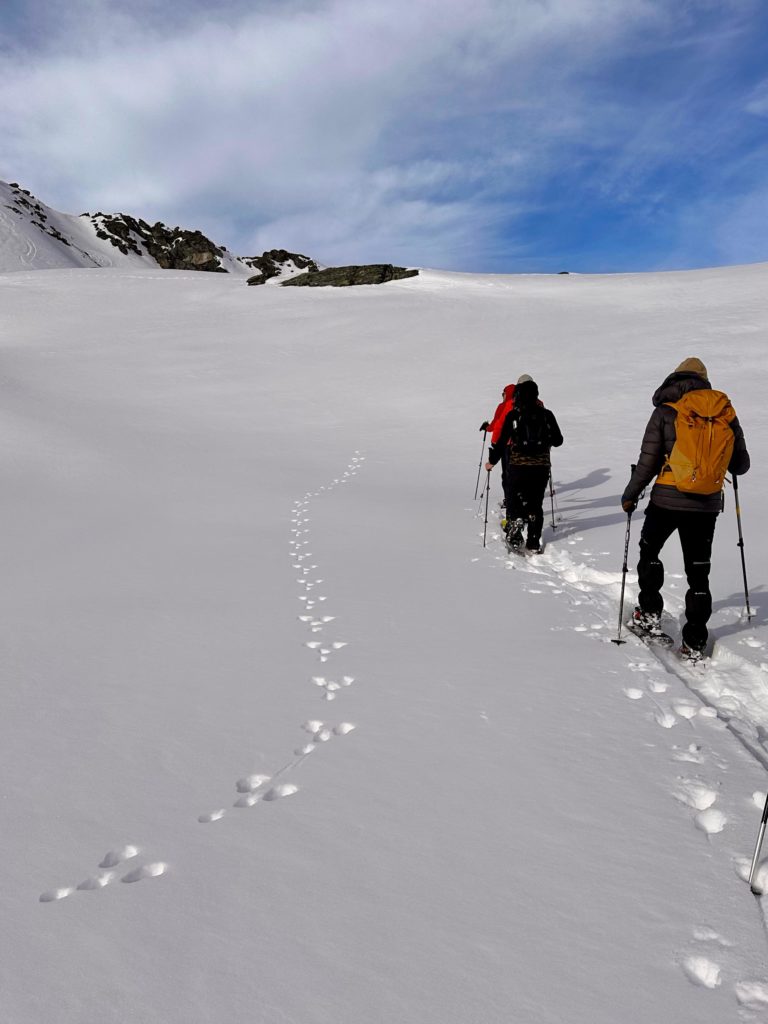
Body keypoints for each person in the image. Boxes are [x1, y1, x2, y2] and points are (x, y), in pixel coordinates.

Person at [621, 357, 750, 658]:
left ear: (675, 377)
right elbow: (741, 465)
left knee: (650, 551)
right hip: (705, 505)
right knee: (698, 572)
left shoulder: (666, 412)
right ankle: (694, 642)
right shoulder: (724, 413)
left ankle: (650, 615)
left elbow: (648, 462)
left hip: (666, 498)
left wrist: (630, 495)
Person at [485, 378, 563, 552]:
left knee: (514, 497)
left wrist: (492, 462)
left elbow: (501, 442)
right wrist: (545, 441)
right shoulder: (547, 414)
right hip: (541, 466)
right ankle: (533, 541)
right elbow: (559, 440)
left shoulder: (514, 415)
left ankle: (516, 526)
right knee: (536, 502)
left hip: (518, 465)